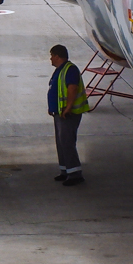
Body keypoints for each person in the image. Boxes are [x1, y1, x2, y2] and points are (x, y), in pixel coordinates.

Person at [48, 44, 89, 185]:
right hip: (59, 113)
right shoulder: (60, 70)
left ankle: (75, 174)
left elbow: (72, 88)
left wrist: (68, 108)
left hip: (68, 114)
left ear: (58, 56)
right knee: (61, 142)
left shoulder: (70, 70)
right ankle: (65, 171)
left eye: (52, 56)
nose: (50, 59)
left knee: (67, 142)